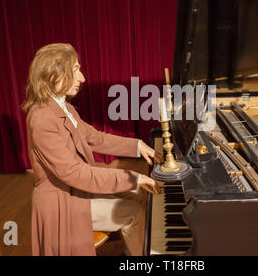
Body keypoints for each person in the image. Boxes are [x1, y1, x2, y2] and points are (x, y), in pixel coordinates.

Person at [22, 43, 162, 256]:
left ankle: (133, 248)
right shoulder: (42, 120)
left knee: (140, 193)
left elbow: (94, 138)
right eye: (75, 69)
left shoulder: (64, 107)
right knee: (135, 211)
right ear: (53, 75)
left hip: (77, 189)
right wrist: (134, 177)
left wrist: (138, 146)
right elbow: (74, 173)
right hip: (63, 203)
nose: (82, 78)